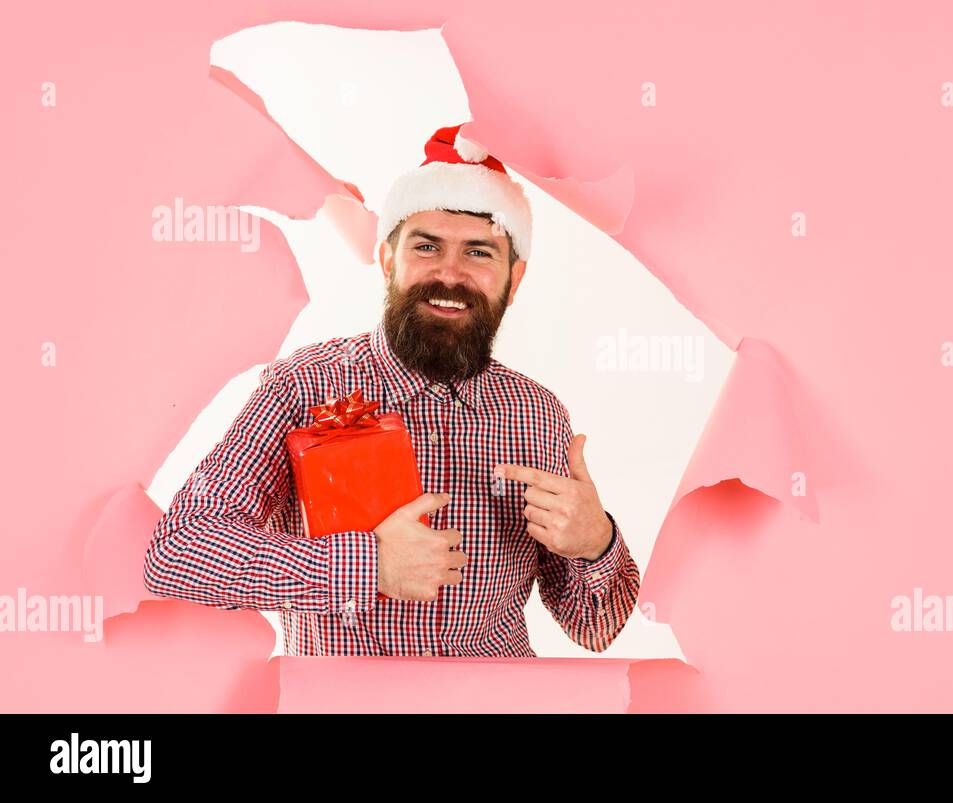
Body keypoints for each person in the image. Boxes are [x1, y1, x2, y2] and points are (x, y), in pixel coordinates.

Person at [143, 124, 641, 656]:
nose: (449, 274)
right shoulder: (306, 382)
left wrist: (595, 543)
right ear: (388, 262)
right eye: (427, 247)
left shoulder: (537, 414)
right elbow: (179, 553)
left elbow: (596, 630)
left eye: (479, 253)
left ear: (513, 280)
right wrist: (366, 565)